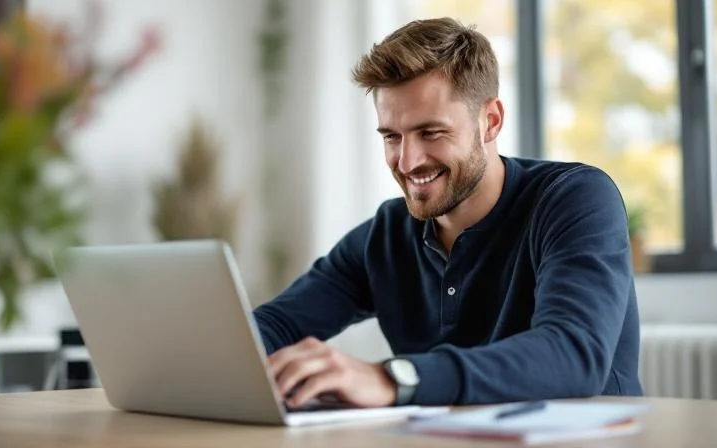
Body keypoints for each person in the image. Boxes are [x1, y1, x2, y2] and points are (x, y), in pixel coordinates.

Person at [253, 17, 643, 409]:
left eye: (431, 133)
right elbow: (273, 326)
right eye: (392, 136)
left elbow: (573, 355)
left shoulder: (575, 199)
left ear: (490, 121)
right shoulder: (386, 234)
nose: (407, 161)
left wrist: (393, 379)